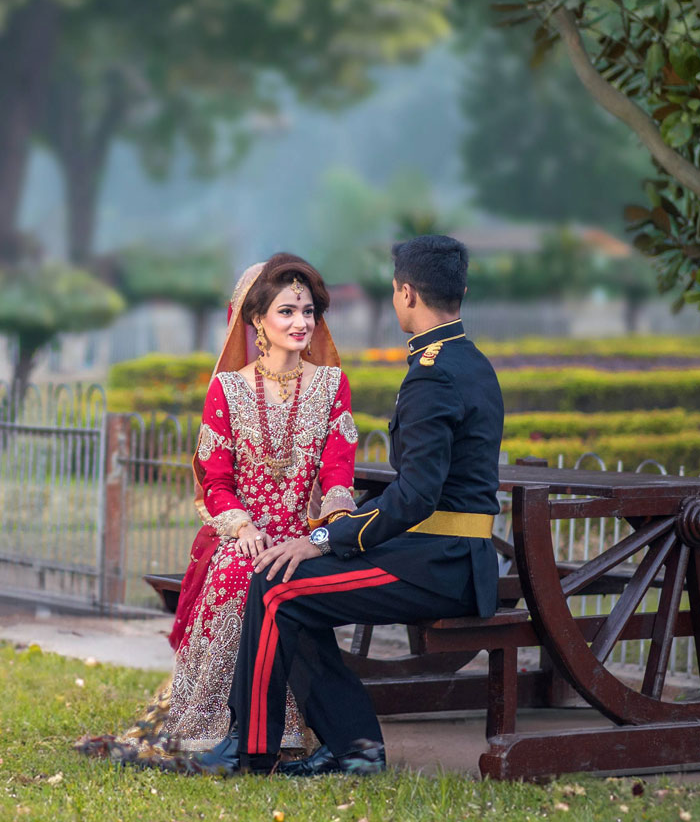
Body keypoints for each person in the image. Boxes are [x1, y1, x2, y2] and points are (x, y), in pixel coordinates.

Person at [184, 234, 503, 777]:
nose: (301, 320)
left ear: (405, 294)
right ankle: (353, 747)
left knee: (281, 585)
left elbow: (415, 497)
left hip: (442, 561)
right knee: (289, 578)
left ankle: (250, 749)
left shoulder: (433, 373)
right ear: (461, 290)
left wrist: (324, 538)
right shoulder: (470, 362)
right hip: (446, 551)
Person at [77, 253, 360, 764]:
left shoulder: (330, 386)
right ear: (256, 321)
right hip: (241, 533)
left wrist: (332, 528)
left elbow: (339, 472)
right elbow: (216, 482)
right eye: (287, 312)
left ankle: (288, 730)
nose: (301, 323)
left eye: (308, 311)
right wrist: (244, 526)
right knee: (240, 568)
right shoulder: (227, 389)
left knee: (285, 567)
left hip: (302, 532)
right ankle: (210, 725)